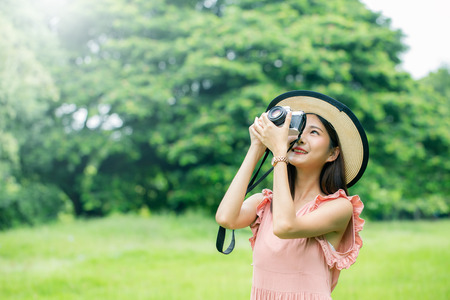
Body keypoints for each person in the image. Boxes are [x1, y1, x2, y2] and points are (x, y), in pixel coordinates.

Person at [215, 91, 369, 299]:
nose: (301, 139)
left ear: (333, 153)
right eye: (299, 130)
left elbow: (285, 226)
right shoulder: (265, 203)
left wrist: (279, 153)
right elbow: (226, 218)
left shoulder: (339, 207)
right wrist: (256, 147)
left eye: (314, 133)